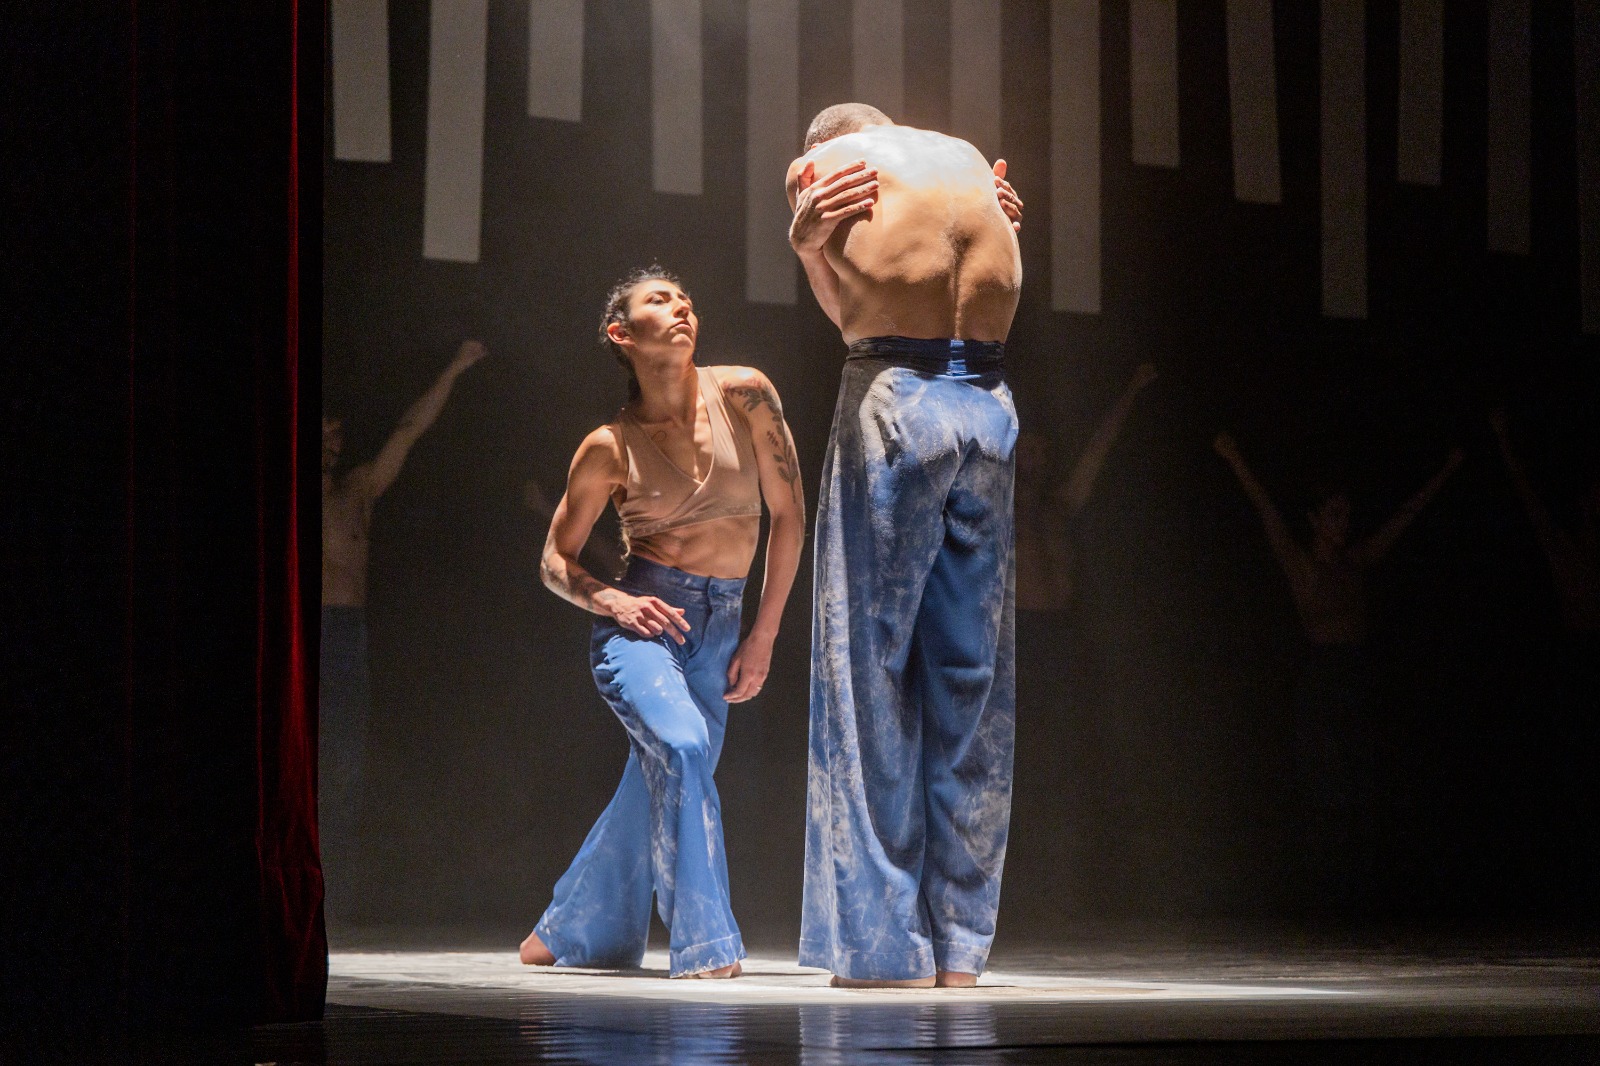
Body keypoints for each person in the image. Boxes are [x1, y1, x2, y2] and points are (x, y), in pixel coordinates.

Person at [786, 102, 1024, 988]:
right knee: (973, 680)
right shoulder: (965, 161)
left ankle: (883, 948)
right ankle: (961, 951)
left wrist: (809, 238)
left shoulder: (832, 160)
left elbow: (843, 306)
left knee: (867, 672)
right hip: (991, 402)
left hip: (899, 392)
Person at [518, 267, 804, 979]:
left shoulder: (746, 393)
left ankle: (563, 930)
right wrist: (610, 601)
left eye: (685, 298)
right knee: (678, 749)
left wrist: (763, 634)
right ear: (622, 334)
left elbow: (790, 517)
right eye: (658, 300)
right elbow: (555, 559)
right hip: (647, 625)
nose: (680, 306)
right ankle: (706, 944)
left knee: (659, 780)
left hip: (725, 624)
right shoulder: (608, 446)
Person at [1212, 430, 1462, 914]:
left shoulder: (1357, 560)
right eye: (1334, 515)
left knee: (1364, 780)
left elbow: (1404, 519)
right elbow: (1267, 512)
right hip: (1324, 677)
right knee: (1326, 783)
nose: (1344, 523)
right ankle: (1322, 894)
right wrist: (1236, 457)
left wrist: (1445, 473)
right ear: (1315, 520)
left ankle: (1361, 894)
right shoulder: (1305, 565)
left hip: (1357, 674)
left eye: (1347, 515)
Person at [321, 339, 486, 859]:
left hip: (346, 632)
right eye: (321, 431)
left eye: (337, 433)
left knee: (345, 758)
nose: (331, 441)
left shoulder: (357, 489)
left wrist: (455, 367)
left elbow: (408, 431)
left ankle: (336, 880)